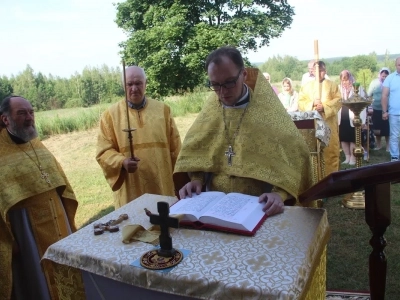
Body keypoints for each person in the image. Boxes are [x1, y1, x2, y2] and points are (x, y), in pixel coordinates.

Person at [174, 46, 313, 217]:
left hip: (259, 206)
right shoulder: (211, 110)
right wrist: (196, 179)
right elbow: (198, 151)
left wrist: (280, 194)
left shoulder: (267, 111)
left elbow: (295, 154)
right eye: (215, 85)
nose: (223, 92)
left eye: (229, 83)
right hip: (213, 207)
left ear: (244, 75)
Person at [0, 96, 85, 299]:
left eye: (31, 112)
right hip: (25, 228)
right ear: (5, 119)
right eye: (22, 113)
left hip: (57, 216)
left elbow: (57, 179)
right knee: (40, 281)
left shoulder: (35, 143)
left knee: (67, 269)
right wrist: (10, 239)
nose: (29, 118)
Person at [96, 66, 181, 208]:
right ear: (123, 86)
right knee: (135, 227)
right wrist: (122, 162)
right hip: (131, 189)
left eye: (138, 83)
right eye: (130, 84)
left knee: (165, 226)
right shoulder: (110, 116)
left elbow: (176, 149)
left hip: (162, 185)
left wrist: (180, 181)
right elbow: (103, 152)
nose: (134, 88)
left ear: (145, 83)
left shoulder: (163, 110)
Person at [298, 61, 342, 176]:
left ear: (325, 71)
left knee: (330, 151)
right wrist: (312, 103)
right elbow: (301, 102)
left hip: (329, 123)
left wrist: (324, 107)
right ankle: (314, 179)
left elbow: (338, 101)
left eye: (321, 70)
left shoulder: (332, 85)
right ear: (312, 71)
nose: (319, 73)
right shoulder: (306, 86)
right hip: (312, 125)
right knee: (313, 152)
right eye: (316, 71)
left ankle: (330, 180)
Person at [337, 70, 367, 165]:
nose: (345, 82)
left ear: (350, 78)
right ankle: (347, 157)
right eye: (343, 80)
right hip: (342, 116)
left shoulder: (357, 88)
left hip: (354, 115)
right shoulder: (338, 88)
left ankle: (353, 158)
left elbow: (362, 104)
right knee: (344, 138)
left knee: (353, 138)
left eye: (346, 80)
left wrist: (363, 120)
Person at [368, 67, 390, 151]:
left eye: (386, 76)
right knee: (377, 128)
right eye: (383, 76)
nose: (384, 78)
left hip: (387, 109)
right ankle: (379, 145)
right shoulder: (374, 83)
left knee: (387, 128)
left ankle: (388, 146)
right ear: (380, 75)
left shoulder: (390, 83)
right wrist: (369, 106)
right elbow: (369, 94)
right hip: (376, 108)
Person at [382, 57, 400, 162]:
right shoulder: (390, 78)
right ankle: (395, 157)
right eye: (399, 65)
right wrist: (385, 112)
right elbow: (384, 96)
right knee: (394, 136)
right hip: (394, 113)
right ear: (395, 65)